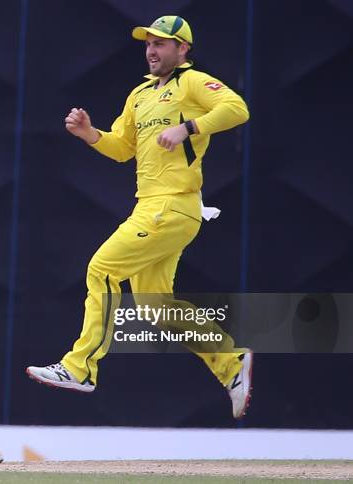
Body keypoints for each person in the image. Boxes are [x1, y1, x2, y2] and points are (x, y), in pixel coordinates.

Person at [27, 16, 253, 419]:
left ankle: (80, 368)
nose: (152, 50)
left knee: (102, 269)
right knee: (155, 307)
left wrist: (188, 128)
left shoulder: (192, 82)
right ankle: (231, 362)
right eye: (149, 43)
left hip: (171, 204)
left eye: (162, 44)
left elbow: (237, 108)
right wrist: (89, 133)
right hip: (154, 206)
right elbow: (122, 148)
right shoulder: (140, 94)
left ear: (182, 50)